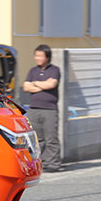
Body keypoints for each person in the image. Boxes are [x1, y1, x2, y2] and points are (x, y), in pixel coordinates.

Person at [21, 44, 64, 172]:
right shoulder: (32, 71)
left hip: (49, 109)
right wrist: (42, 85)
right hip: (34, 109)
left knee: (51, 138)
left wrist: (34, 84)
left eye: (40, 55)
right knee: (37, 139)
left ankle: (54, 164)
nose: (37, 58)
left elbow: (52, 84)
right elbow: (26, 87)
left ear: (47, 57)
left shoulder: (54, 70)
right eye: (36, 55)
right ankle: (41, 163)